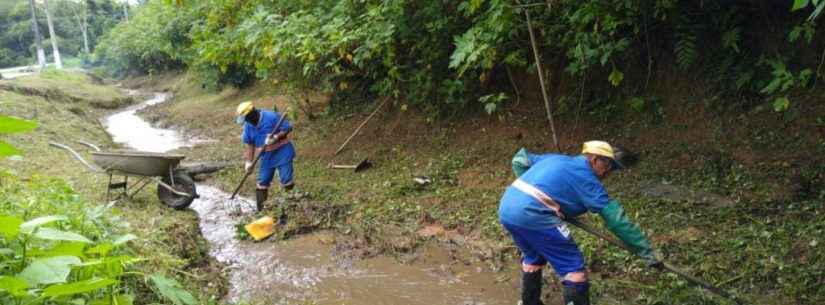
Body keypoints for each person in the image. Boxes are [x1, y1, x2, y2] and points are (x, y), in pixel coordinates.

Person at [498, 141, 660, 305]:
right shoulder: (587, 180)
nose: (608, 173)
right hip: (533, 216)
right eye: (609, 166)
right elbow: (617, 220)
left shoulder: (557, 159)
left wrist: (535, 194)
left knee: (533, 258)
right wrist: (645, 251)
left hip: (507, 208)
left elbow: (519, 160)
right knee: (575, 271)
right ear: (595, 159)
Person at [236, 101, 296, 212]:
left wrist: (276, 137)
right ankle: (261, 212)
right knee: (262, 182)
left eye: (247, 119)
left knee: (286, 180)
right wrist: (249, 162)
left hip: (282, 151)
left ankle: (287, 209)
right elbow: (250, 144)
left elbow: (287, 127)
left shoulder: (271, 116)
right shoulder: (248, 126)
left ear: (252, 114)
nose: (246, 122)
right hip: (267, 156)